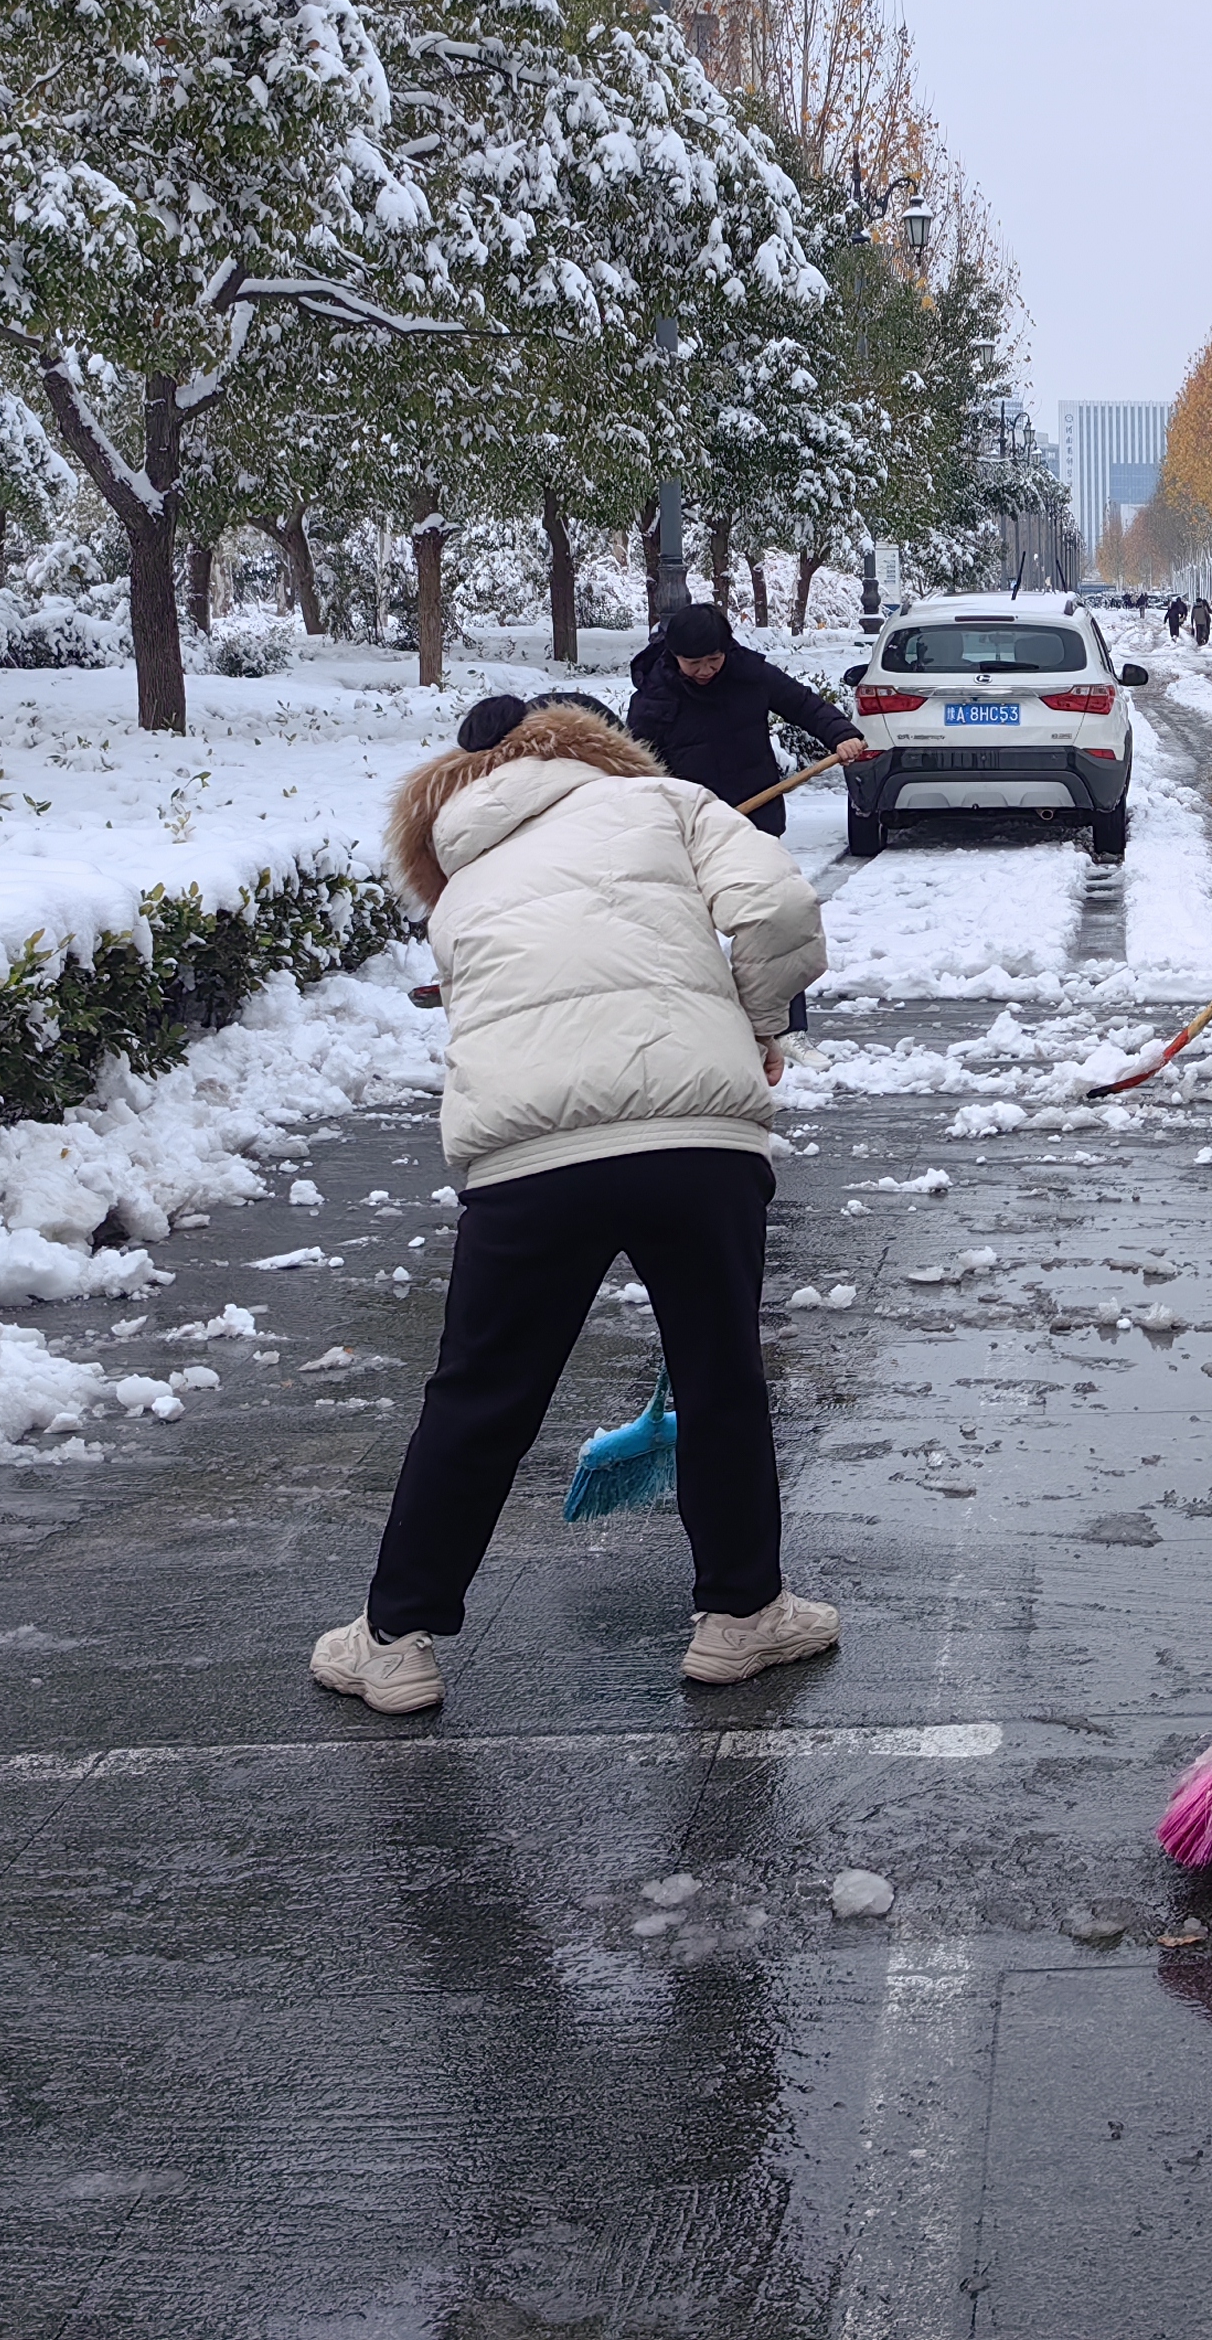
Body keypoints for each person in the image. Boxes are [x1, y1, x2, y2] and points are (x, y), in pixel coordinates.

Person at [313, 694, 838, 1716]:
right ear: (601, 753)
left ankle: (395, 1640)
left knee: (479, 1396)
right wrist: (760, 1022)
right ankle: (740, 1615)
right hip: (697, 1139)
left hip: (529, 1160)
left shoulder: (460, 883)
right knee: (720, 1375)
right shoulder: (667, 805)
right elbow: (776, 912)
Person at [622, 602, 868, 832]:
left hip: (756, 816)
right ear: (675, 655)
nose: (705, 670)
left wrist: (841, 735)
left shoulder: (750, 675)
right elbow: (636, 766)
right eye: (694, 662)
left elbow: (803, 704)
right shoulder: (655, 697)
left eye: (714, 659)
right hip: (692, 826)